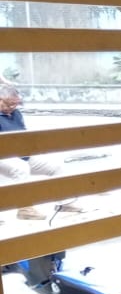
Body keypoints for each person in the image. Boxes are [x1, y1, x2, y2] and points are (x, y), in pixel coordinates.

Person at [0, 80, 79, 220]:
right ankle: (25, 209)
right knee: (21, 168)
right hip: (3, 155)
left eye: (15, 104)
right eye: (8, 104)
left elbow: (23, 135)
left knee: (56, 166)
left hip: (21, 154)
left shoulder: (16, 114)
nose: (12, 107)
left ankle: (64, 203)